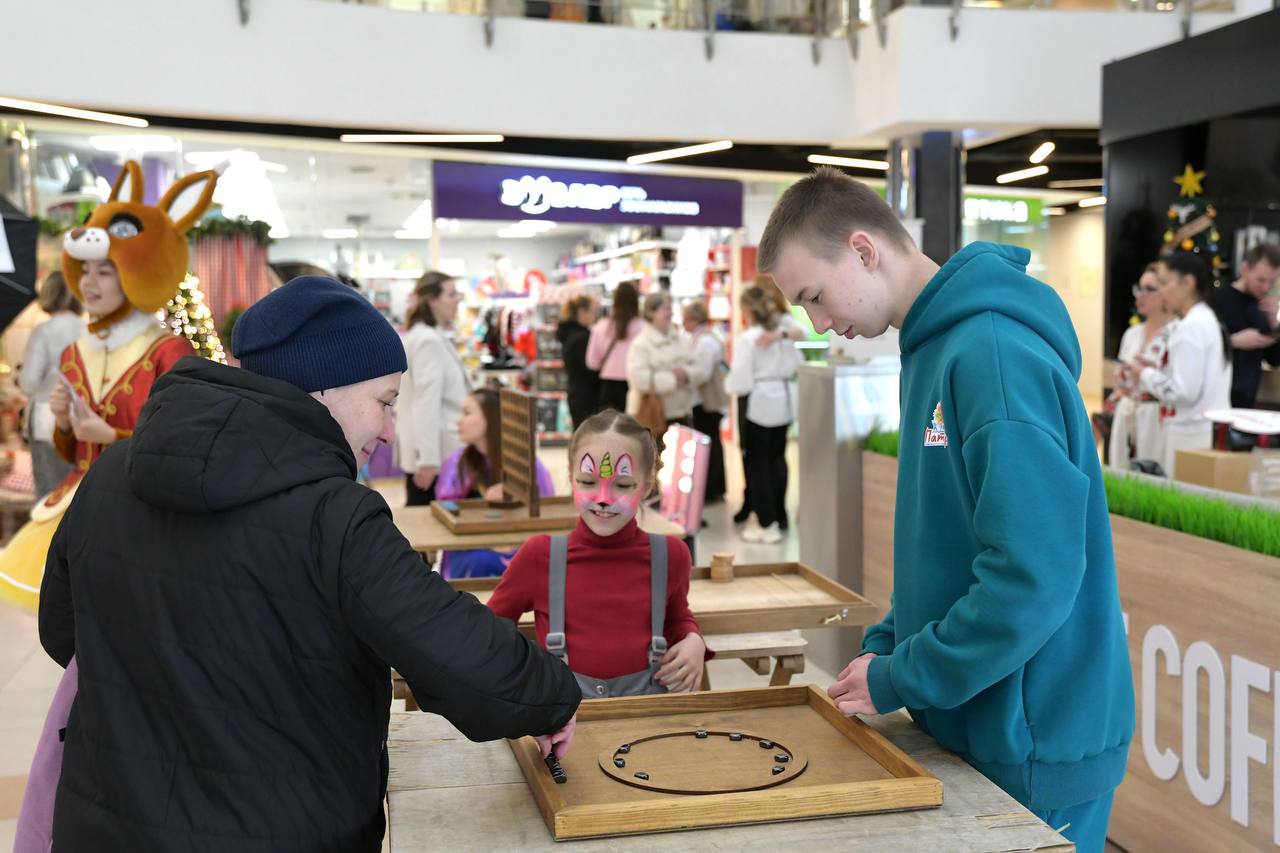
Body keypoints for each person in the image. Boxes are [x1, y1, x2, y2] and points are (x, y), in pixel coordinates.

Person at [36, 276, 579, 852]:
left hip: (106, 825)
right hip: (285, 828)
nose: (390, 431)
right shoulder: (335, 515)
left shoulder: (111, 476)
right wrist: (553, 697)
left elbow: (63, 630)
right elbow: (461, 657)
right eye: (385, 402)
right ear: (322, 390)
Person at [758, 167, 1133, 853]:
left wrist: (904, 674)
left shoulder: (990, 353)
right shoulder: (931, 348)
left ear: (864, 250)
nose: (819, 322)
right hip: (979, 723)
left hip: (1034, 736)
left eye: (813, 295)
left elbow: (1031, 576)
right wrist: (890, 644)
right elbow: (947, 545)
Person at [0, 162, 216, 614]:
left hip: (147, 515)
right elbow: (75, 454)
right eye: (87, 270)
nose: (89, 283)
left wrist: (113, 438)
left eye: (105, 271)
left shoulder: (169, 351)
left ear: (136, 272)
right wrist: (65, 425)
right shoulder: (77, 350)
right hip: (81, 506)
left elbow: (183, 444)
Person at [487, 409, 708, 698]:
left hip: (645, 721)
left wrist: (694, 641)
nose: (604, 499)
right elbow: (492, 630)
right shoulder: (539, 557)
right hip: (561, 725)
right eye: (588, 482)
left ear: (647, 485)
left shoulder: (670, 555)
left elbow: (676, 617)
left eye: (623, 485)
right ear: (571, 478)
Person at [435, 388, 555, 578]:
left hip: (519, 545)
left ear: (490, 418)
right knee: (478, 561)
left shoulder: (525, 462)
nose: (459, 420)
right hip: (469, 546)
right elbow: (444, 509)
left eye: (467, 413)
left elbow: (547, 511)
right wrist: (481, 505)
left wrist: (515, 496)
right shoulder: (458, 462)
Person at [1138, 251, 1233, 478]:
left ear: (1188, 283)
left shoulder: (1191, 327)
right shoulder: (1205, 319)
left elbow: (1183, 391)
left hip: (1189, 434)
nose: (1161, 291)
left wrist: (1145, 374)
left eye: (1165, 282)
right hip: (1205, 430)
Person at [724, 286, 802, 545]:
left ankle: (766, 524)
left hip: (758, 404)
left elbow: (740, 382)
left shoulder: (749, 339)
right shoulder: (784, 329)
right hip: (784, 399)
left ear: (747, 310)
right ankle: (780, 516)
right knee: (778, 460)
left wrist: (729, 385)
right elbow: (800, 338)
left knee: (759, 465)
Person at [396, 271, 469, 506]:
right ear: (432, 300)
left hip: (436, 453)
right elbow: (425, 402)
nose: (457, 299)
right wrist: (427, 459)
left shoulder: (424, 336)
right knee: (429, 527)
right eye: (451, 294)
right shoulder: (428, 341)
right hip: (439, 456)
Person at [17, 272, 84, 498]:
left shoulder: (44, 331)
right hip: (82, 415)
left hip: (47, 414)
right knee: (75, 489)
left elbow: (30, 381)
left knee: (49, 491)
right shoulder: (88, 329)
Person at [1108, 264, 1175, 471]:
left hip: (1156, 417)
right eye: (1140, 288)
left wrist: (1146, 373)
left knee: (1152, 476)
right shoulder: (1132, 333)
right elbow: (1119, 379)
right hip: (1127, 412)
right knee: (1122, 473)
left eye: (1150, 289)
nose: (1141, 295)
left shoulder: (1176, 333)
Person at [1210, 243, 1280, 408]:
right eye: (1261, 280)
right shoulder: (1219, 299)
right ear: (1245, 269)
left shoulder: (1263, 305)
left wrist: (1274, 323)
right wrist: (1234, 341)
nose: (1265, 288)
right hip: (1217, 398)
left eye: (1271, 282)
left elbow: (1275, 359)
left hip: (1248, 400)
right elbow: (1199, 347)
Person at [625, 291, 703, 432]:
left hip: (682, 414)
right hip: (653, 417)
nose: (670, 313)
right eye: (665, 309)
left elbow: (698, 369)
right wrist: (674, 379)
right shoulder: (640, 344)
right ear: (650, 313)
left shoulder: (682, 340)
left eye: (670, 308)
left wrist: (686, 375)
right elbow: (639, 380)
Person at [682, 299, 728, 503]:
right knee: (712, 443)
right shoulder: (703, 338)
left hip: (706, 401)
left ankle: (711, 488)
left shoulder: (704, 341)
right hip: (706, 400)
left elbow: (702, 372)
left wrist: (684, 375)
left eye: (686, 320)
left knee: (708, 445)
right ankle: (714, 487)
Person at [586, 281, 643, 413]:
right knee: (635, 429)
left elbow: (592, 363)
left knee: (611, 429)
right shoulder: (644, 328)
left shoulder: (601, 327)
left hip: (608, 387)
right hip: (636, 386)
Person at [556, 295, 598, 428]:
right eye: (592, 311)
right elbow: (588, 369)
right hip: (587, 396)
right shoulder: (581, 338)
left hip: (576, 393)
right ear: (582, 312)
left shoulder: (569, 334)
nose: (595, 315)